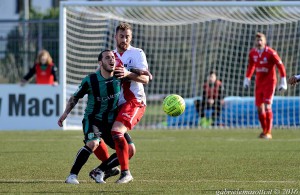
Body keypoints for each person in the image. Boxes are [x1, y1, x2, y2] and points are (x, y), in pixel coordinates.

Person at [90, 22, 151, 184]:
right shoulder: (110, 56)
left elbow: (145, 79)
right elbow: (99, 77)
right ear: (115, 37)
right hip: (115, 106)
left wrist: (127, 73)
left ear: (131, 38)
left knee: (117, 132)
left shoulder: (137, 53)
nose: (124, 39)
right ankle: (101, 170)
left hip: (134, 102)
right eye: (121, 36)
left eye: (127, 37)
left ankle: (126, 173)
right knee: (128, 149)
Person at [58, 50, 124, 184]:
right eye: (107, 58)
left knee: (128, 150)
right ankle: (72, 176)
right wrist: (65, 113)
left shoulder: (120, 76)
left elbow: (136, 75)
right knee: (93, 143)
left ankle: (100, 170)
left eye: (113, 57)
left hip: (111, 122)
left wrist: (144, 73)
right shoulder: (91, 80)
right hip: (93, 119)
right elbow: (75, 97)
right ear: (100, 63)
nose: (111, 60)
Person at [243, 32, 287, 139]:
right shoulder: (252, 53)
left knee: (267, 106)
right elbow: (251, 66)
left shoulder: (271, 53)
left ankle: (269, 132)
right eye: (257, 40)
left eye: (261, 40)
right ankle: (264, 131)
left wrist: (283, 81)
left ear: (265, 41)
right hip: (259, 83)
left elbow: (280, 66)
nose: (259, 42)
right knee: (259, 108)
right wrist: (247, 78)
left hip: (270, 82)